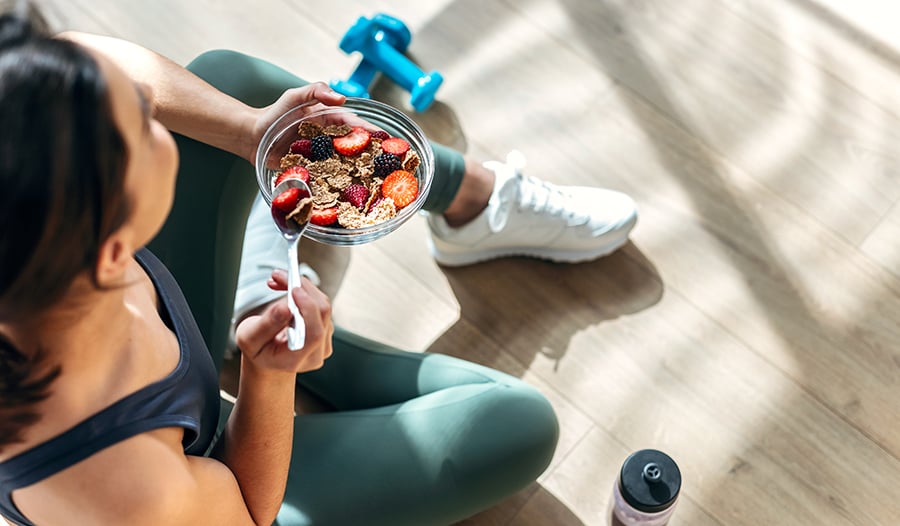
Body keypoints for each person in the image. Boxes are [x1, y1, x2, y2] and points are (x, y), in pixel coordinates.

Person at [0, 5, 560, 526]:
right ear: (114, 247)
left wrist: (250, 131)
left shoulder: (42, 252)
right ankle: (272, 329)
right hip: (216, 489)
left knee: (233, 81)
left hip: (154, 362)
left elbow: (83, 57)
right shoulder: (124, 487)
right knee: (519, 421)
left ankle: (470, 204)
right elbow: (247, 511)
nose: (148, 110)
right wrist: (269, 376)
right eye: (141, 126)